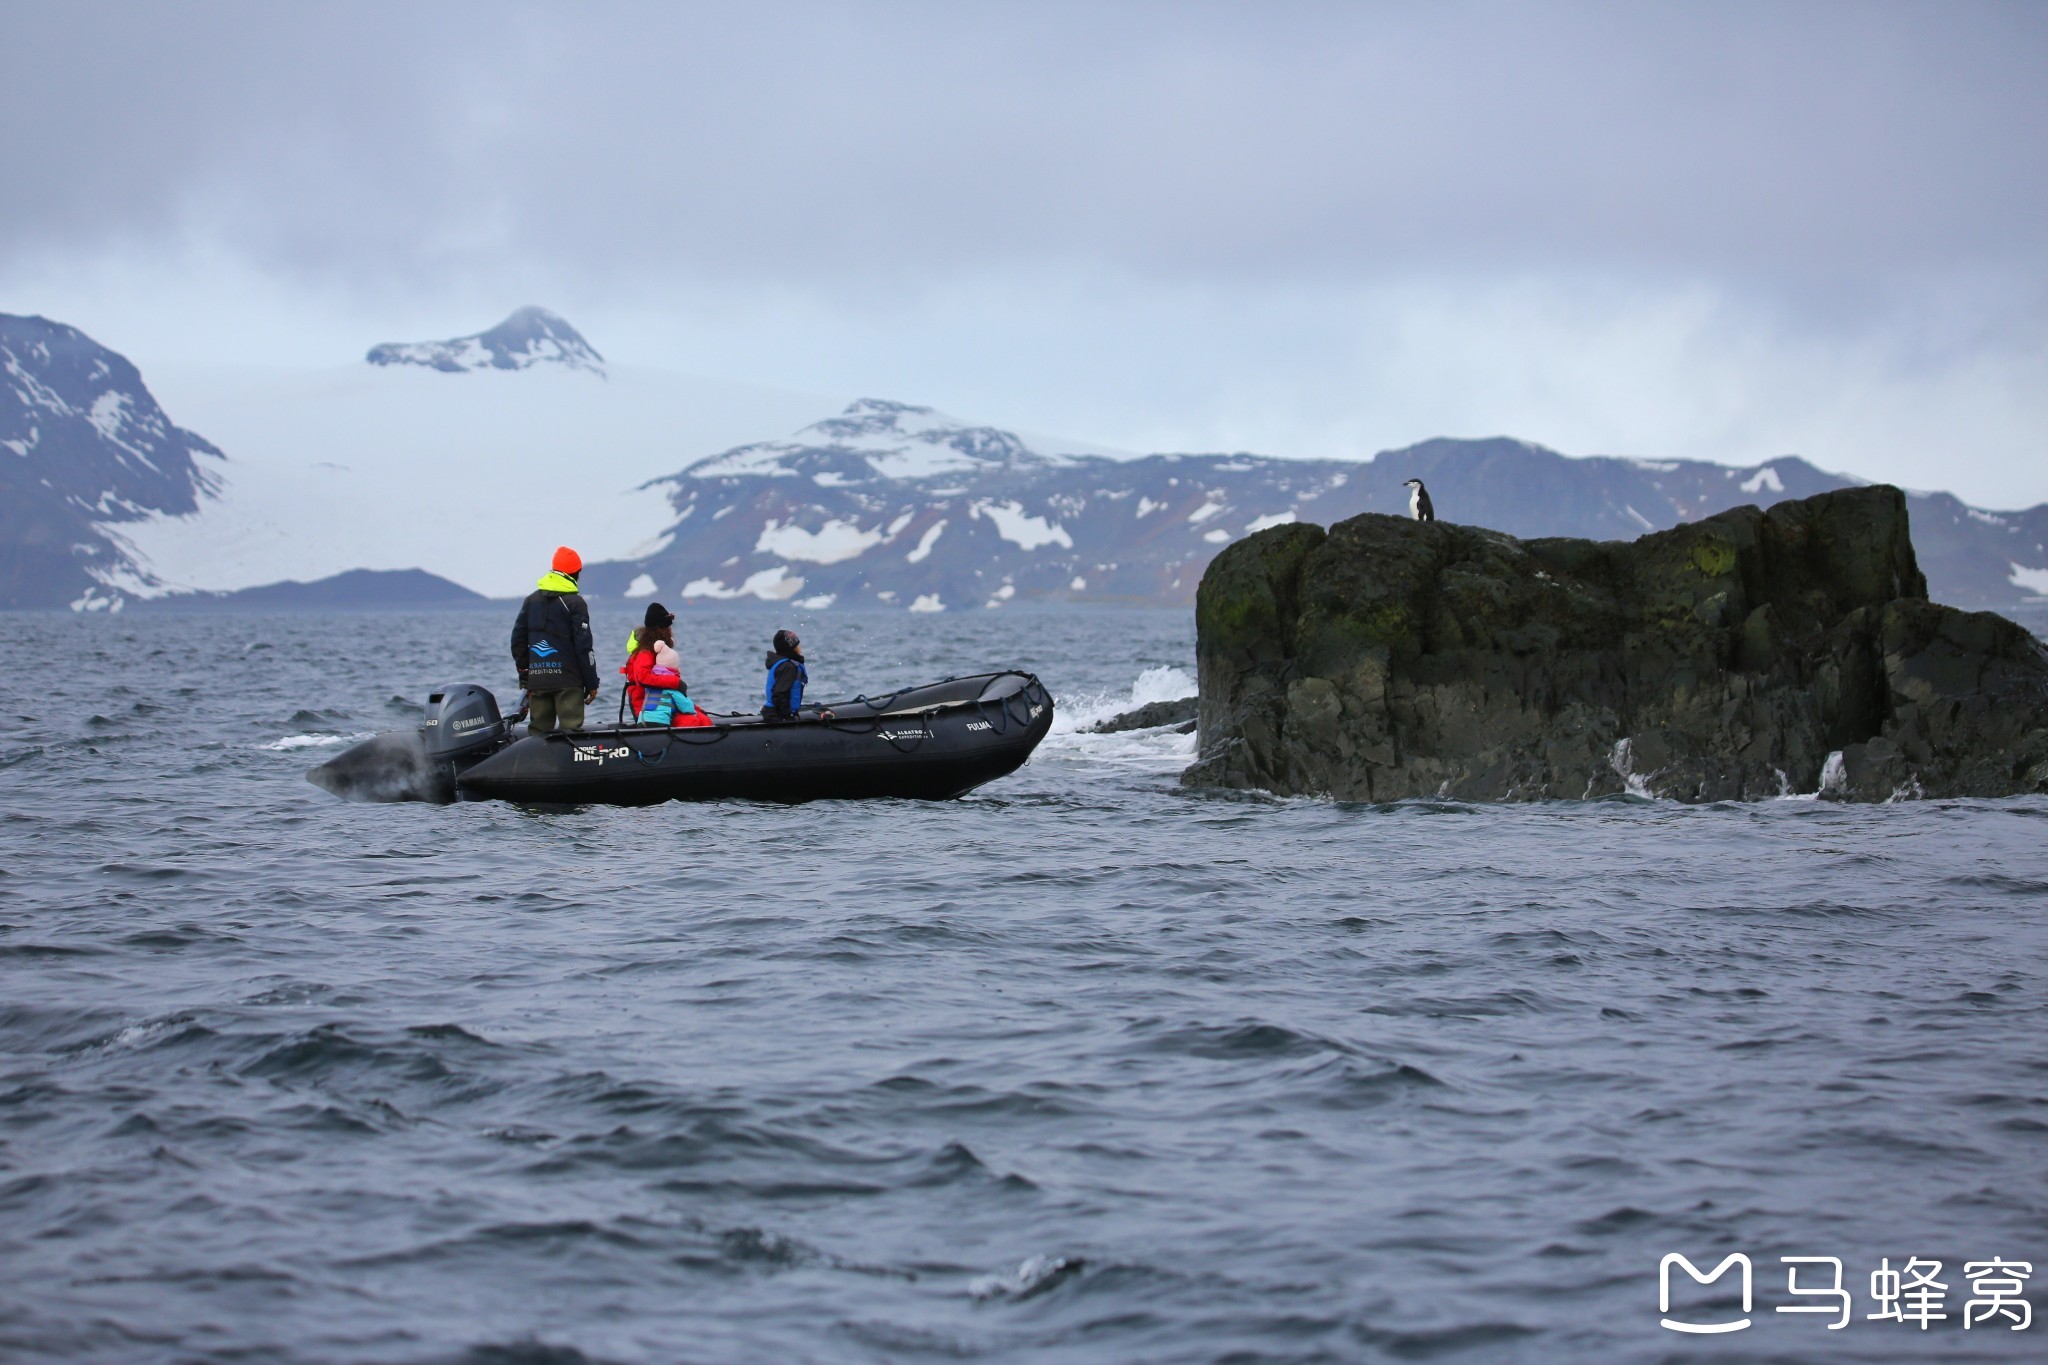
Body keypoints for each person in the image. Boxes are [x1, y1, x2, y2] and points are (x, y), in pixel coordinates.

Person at [510, 545, 600, 733]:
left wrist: (526, 674)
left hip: (538, 681)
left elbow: (517, 641)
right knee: (570, 733)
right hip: (568, 682)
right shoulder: (575, 603)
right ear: (575, 573)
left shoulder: (531, 600)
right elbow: (584, 648)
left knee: (538, 734)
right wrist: (592, 683)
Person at [622, 603, 712, 727]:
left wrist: (696, 708)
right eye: (668, 627)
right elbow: (643, 677)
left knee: (703, 718)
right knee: (693, 722)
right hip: (649, 710)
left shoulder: (659, 652)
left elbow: (669, 691)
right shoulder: (645, 652)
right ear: (661, 629)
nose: (670, 631)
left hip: (665, 705)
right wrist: (675, 683)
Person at [761, 628, 808, 721]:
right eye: (797, 645)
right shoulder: (788, 667)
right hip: (777, 715)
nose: (800, 647)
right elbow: (779, 694)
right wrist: (787, 716)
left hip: (775, 712)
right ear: (790, 648)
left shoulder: (784, 664)